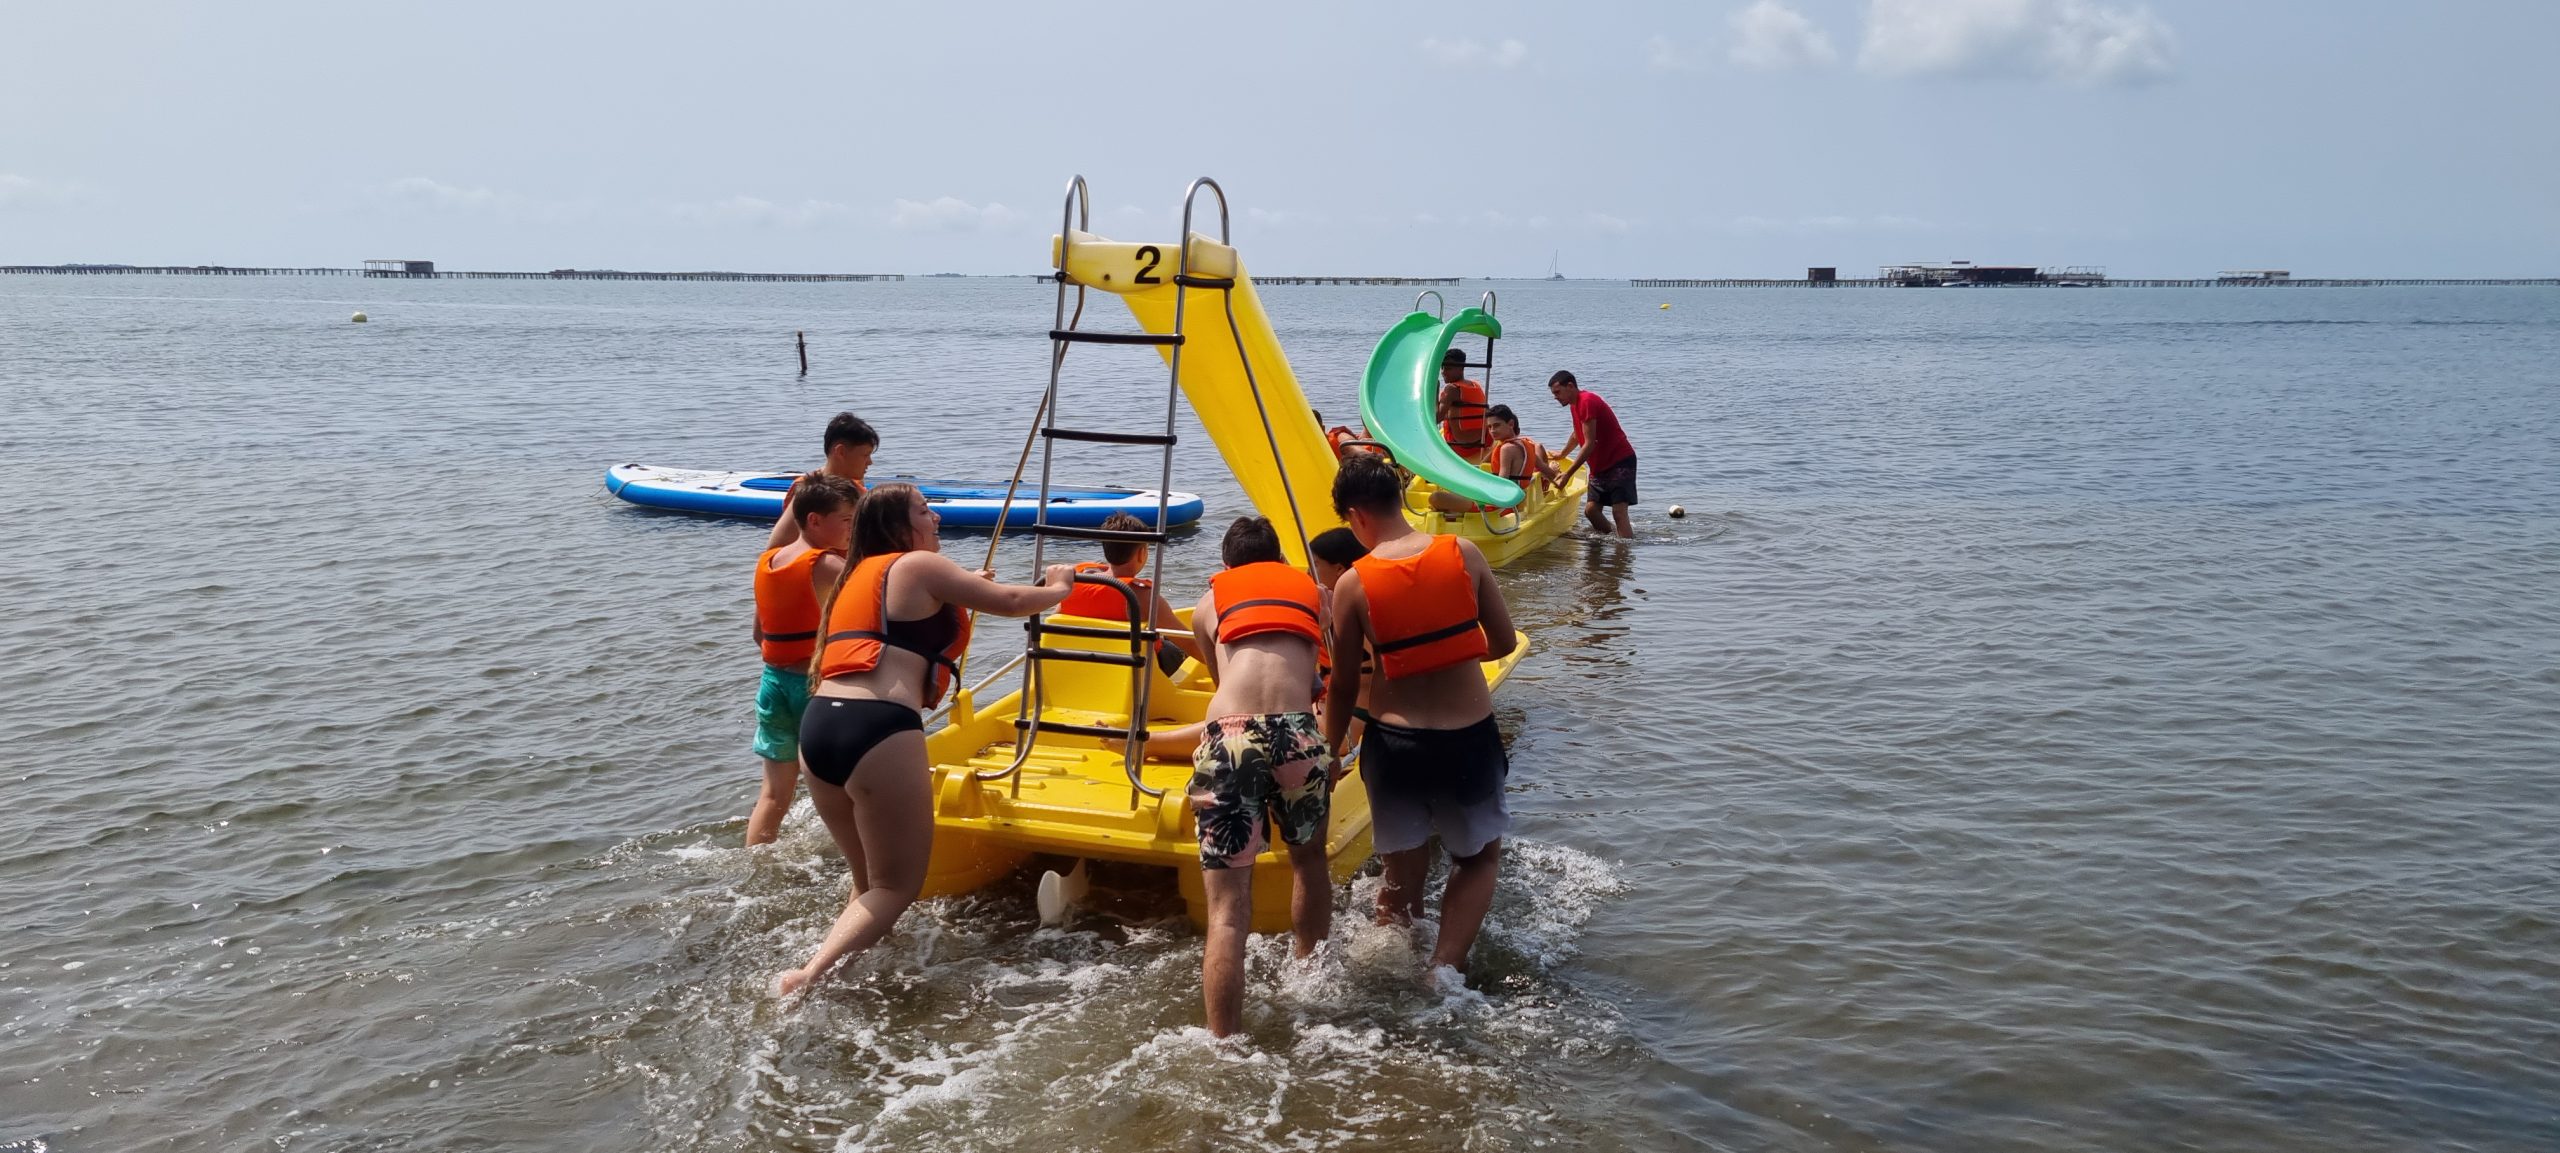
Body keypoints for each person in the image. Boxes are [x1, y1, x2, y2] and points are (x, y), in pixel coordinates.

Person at [777, 483, 1078, 996]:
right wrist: (1059, 588)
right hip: (877, 731)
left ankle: (852, 966)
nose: (934, 516)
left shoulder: (855, 575)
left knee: (870, 881)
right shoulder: (917, 565)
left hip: (820, 728)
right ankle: (808, 978)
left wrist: (964, 584)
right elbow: (1009, 601)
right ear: (899, 527)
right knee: (898, 886)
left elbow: (920, 610)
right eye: (923, 510)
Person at [1323, 455, 1519, 978]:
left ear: (1356, 516)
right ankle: (1444, 971)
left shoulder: (1353, 584)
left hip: (1395, 746)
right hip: (1467, 741)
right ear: (1397, 500)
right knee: (1476, 859)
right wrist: (1447, 649)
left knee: (1402, 874)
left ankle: (1385, 973)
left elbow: (1343, 685)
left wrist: (1330, 751)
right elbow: (1502, 641)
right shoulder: (1464, 553)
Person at [1185, 516, 1334, 1036]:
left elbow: (1218, 675)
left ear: (1226, 567)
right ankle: (1308, 977)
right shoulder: (1315, 594)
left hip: (1228, 737)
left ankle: (1223, 1041)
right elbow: (1323, 669)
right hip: (1296, 732)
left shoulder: (1210, 603)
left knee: (1225, 912)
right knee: (1308, 861)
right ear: (1279, 561)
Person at [746, 472, 860, 848]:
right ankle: (862, 866)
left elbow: (757, 635)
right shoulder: (823, 564)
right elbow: (885, 591)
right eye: (846, 520)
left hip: (773, 685)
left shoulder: (770, 561)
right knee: (850, 788)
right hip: (813, 690)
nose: (852, 529)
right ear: (815, 521)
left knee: (774, 795)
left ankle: (756, 863)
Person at [1054, 511, 1204, 675]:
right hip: (1132, 671)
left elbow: (1057, 621)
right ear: (1141, 554)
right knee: (1171, 646)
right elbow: (1190, 645)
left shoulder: (1073, 582)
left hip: (1082, 664)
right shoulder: (1143, 597)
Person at [765, 412, 879, 551]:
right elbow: (776, 550)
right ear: (841, 451)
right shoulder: (810, 491)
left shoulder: (855, 487)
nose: (870, 462)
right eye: (865, 455)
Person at [1548, 371, 1637, 539]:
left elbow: (1589, 444)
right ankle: (1614, 539)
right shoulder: (1574, 404)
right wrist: (1562, 453)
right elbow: (1577, 434)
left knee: (1619, 512)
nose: (1555, 397)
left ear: (1570, 386)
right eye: (1553, 394)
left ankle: (1624, 555)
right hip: (1600, 465)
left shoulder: (1586, 401)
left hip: (1619, 461)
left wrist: (1568, 474)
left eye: (1557, 392)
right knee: (1591, 511)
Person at [1484, 404, 1560, 495]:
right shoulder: (1527, 445)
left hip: (1511, 501)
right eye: (1489, 427)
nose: (1492, 430)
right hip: (1524, 496)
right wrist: (1559, 483)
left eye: (1496, 425)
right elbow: (1548, 471)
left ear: (1511, 424)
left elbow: (1502, 482)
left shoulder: (1506, 448)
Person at [1436, 348, 1489, 461]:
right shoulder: (1475, 384)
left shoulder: (1451, 389)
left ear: (1461, 368)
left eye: (1448, 368)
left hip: (1462, 447)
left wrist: (1433, 391)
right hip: (1483, 441)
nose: (1443, 372)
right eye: (1442, 367)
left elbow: (1436, 418)